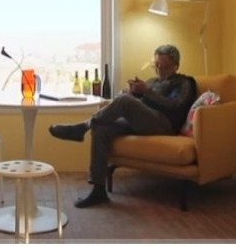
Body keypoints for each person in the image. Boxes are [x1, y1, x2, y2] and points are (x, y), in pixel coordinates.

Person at [48, 44, 197, 208]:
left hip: (165, 124)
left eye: (164, 66)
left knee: (125, 102)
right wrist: (130, 92)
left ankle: (82, 127)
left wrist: (147, 92)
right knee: (101, 129)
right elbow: (139, 103)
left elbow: (176, 106)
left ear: (175, 66)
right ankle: (98, 190)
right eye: (156, 65)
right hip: (143, 122)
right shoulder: (152, 82)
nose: (159, 70)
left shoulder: (184, 82)